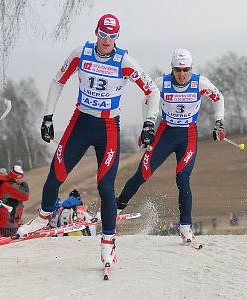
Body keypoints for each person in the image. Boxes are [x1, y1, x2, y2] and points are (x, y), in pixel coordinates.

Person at [17, 14, 160, 266]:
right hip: (81, 121)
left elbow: (152, 91)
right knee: (57, 172)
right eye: (103, 35)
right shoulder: (80, 53)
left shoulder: (124, 61)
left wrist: (149, 123)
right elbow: (57, 81)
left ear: (117, 37)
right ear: (96, 32)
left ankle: (108, 243)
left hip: (108, 127)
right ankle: (41, 218)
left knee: (105, 185)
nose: (106, 41)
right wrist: (48, 117)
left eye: (112, 36)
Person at [116, 49, 225, 243]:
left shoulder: (200, 83)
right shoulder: (161, 84)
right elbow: (147, 100)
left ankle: (185, 227)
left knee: (183, 178)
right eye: (178, 70)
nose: (182, 74)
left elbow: (219, 99)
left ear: (191, 68)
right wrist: (146, 126)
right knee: (142, 173)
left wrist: (219, 122)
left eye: (186, 70)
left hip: (188, 135)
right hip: (165, 133)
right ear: (172, 69)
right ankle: (116, 208)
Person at [0, 165, 29, 237]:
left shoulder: (8, 184)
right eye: (19, 178)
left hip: (8, 221)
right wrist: (24, 184)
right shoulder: (8, 186)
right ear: (13, 177)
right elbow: (25, 195)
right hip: (7, 222)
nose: (21, 180)